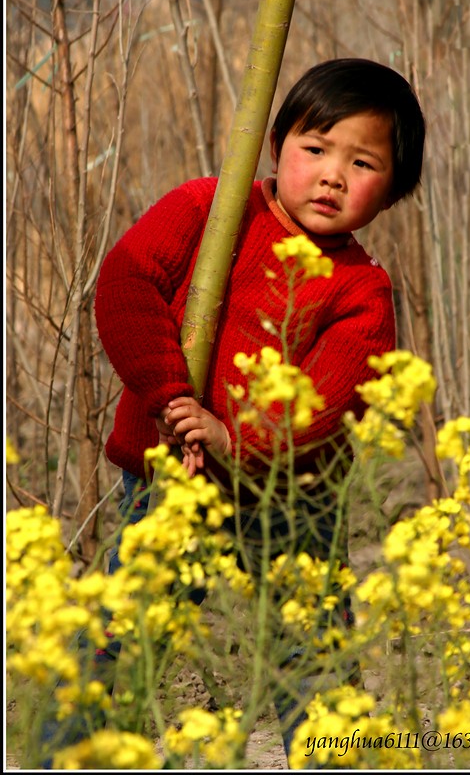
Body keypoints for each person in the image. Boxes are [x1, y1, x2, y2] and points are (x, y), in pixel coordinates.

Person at [43, 58, 426, 767]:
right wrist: (172, 397)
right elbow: (127, 285)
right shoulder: (210, 208)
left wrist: (237, 437)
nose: (333, 175)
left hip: (290, 502)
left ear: (394, 190)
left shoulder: (361, 290)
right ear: (276, 144)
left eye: (363, 161)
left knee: (315, 666)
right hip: (170, 480)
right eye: (315, 150)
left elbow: (330, 402)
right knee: (119, 643)